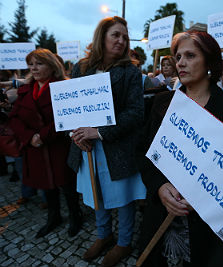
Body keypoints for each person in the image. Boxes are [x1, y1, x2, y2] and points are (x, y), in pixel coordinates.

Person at [139, 30, 223, 267]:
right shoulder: (162, 103)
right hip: (166, 216)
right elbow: (146, 153)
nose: (180, 62)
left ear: (210, 61)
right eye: (178, 56)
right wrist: (160, 187)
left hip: (213, 223)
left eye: (190, 55)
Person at [67, 16, 146, 267]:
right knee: (95, 193)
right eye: (116, 35)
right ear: (102, 36)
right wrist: (76, 134)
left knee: (122, 197)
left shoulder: (131, 72)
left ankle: (123, 242)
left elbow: (135, 112)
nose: (121, 41)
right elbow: (69, 107)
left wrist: (98, 132)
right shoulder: (80, 68)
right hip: (86, 147)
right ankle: (104, 236)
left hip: (117, 146)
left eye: (124, 36)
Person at [8, 48, 81, 238]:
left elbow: (65, 117)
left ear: (51, 65)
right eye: (31, 64)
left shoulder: (63, 88)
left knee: (67, 184)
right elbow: (14, 118)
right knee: (46, 184)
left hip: (56, 146)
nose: (34, 68)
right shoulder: (25, 91)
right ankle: (54, 216)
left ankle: (76, 216)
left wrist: (42, 135)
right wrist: (29, 137)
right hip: (35, 148)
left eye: (39, 63)